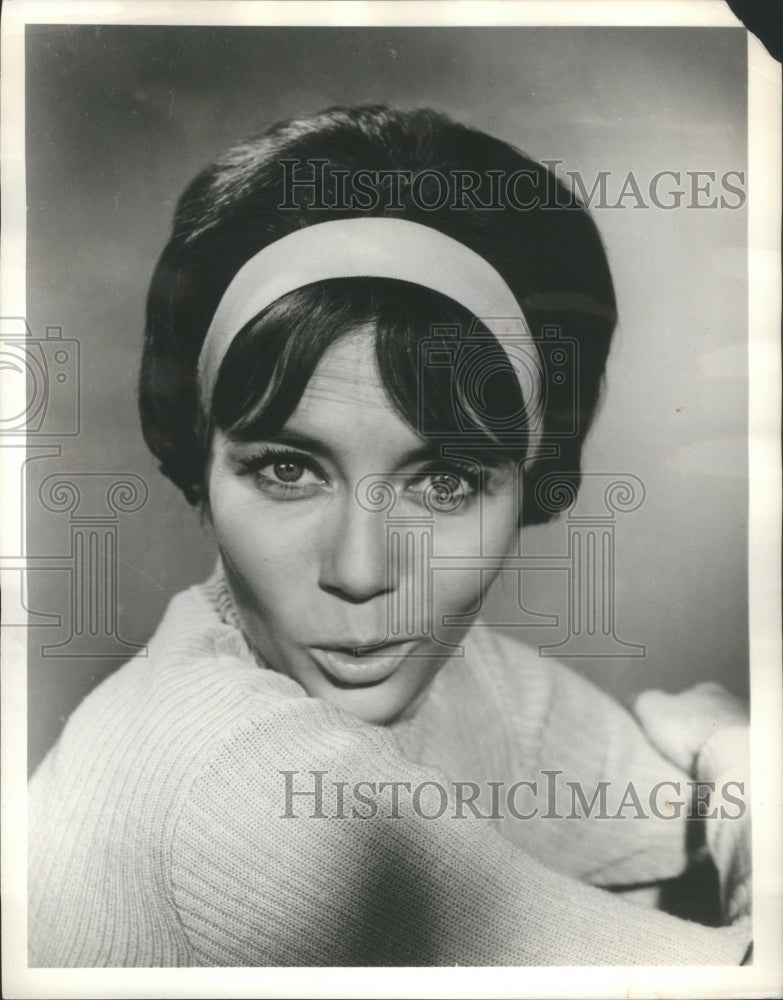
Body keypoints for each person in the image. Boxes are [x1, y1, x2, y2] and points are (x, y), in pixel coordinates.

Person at [28, 105, 751, 966]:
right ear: (201, 462)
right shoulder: (231, 774)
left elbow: (664, 852)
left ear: (531, 480)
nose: (362, 574)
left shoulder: (473, 682)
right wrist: (739, 752)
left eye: (444, 482)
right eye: (287, 470)